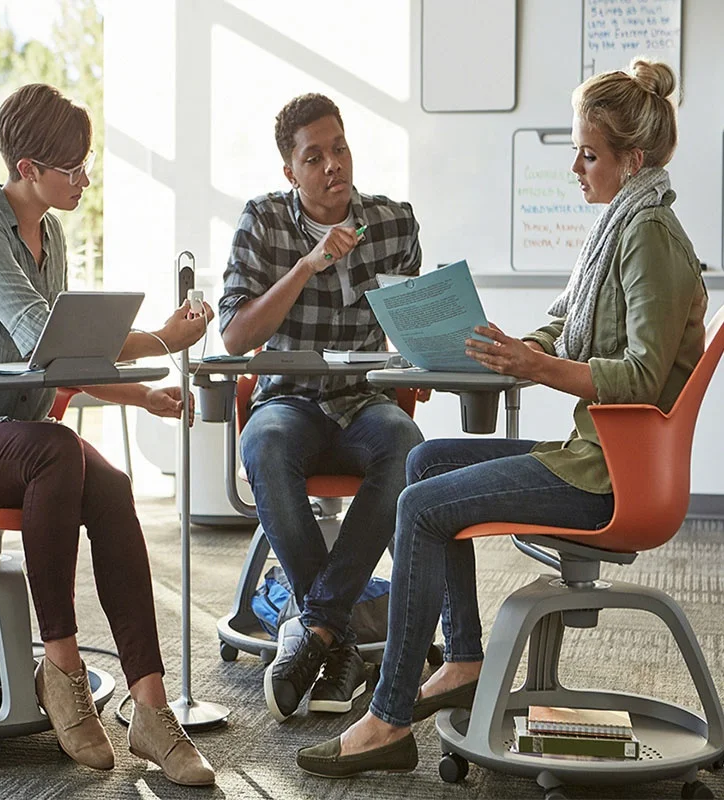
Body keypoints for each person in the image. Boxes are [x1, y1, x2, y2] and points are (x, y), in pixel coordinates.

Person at [297, 58, 708, 777]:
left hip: (615, 475)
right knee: (424, 461)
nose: (576, 167)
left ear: (631, 160)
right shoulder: (620, 225)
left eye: (588, 153)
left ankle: (388, 718)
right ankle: (462, 658)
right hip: (595, 454)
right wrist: (517, 348)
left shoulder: (648, 237)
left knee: (421, 504)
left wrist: (540, 368)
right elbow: (572, 329)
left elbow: (641, 374)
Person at [0, 84, 217, 787]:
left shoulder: (52, 235)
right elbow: (41, 335)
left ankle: (151, 710)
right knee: (58, 449)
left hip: (17, 443)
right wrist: (161, 335)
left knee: (114, 484)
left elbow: (60, 352)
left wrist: (142, 393)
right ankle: (59, 670)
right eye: (73, 169)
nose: (85, 180)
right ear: (28, 168)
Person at [219, 93, 425, 722]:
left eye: (340, 149)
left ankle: (317, 633)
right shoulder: (262, 222)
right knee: (264, 443)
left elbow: (414, 322)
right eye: (315, 157)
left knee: (408, 444)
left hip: (363, 402)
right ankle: (337, 642)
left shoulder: (392, 223)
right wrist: (306, 266)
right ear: (290, 171)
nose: (333, 165)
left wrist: (434, 345)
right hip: (290, 402)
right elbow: (233, 337)